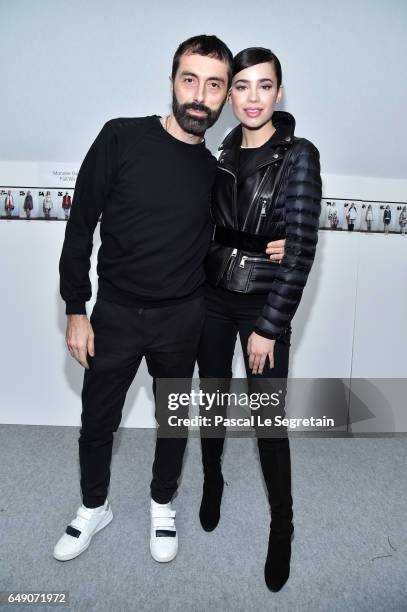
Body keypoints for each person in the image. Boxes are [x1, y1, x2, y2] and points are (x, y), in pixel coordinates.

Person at [54, 34, 234, 564]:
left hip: (183, 315)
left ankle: (162, 502)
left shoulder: (216, 171)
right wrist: (74, 309)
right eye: (190, 79)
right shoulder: (121, 137)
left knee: (173, 418)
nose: (199, 95)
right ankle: (93, 507)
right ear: (173, 81)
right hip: (114, 312)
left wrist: (276, 241)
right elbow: (80, 223)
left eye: (213, 85)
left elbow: (234, 234)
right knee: (97, 418)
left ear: (224, 97)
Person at [196, 47, 322, 592]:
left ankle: (282, 526)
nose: (251, 98)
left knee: (269, 424)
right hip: (210, 298)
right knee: (210, 402)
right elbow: (206, 225)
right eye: (241, 86)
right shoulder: (219, 151)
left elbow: (300, 249)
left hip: (261, 304)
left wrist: (269, 326)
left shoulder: (298, 154)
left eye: (263, 86)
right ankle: (212, 482)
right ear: (229, 95)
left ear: (279, 92)